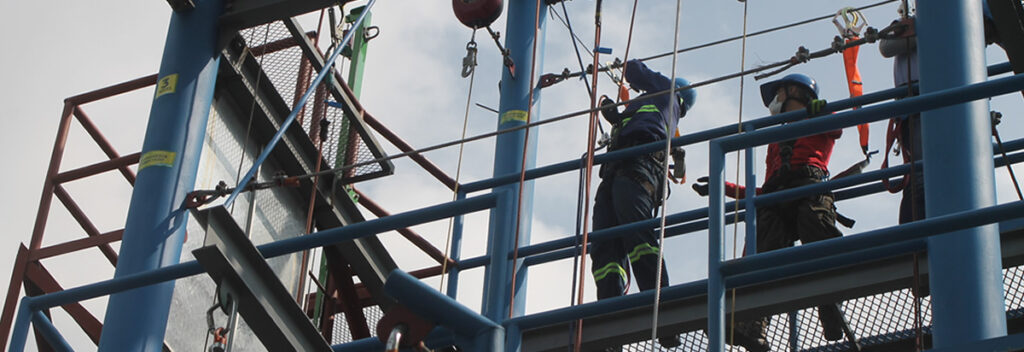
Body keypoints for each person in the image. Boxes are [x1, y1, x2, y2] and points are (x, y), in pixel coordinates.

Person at [693, 73, 846, 352]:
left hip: (808, 187)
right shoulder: (774, 140)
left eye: (780, 94)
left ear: (796, 92)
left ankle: (830, 304)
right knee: (762, 248)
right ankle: (752, 325)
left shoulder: (819, 120)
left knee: (816, 226)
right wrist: (723, 187)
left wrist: (821, 109)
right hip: (777, 197)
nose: (775, 102)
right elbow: (762, 190)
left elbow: (838, 127)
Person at [590, 59, 695, 349]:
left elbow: (635, 69)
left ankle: (664, 316)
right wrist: (617, 118)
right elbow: (637, 125)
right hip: (617, 170)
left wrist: (627, 68)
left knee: (639, 237)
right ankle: (610, 325)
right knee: (603, 247)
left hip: (639, 168)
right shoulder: (651, 110)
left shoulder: (667, 92)